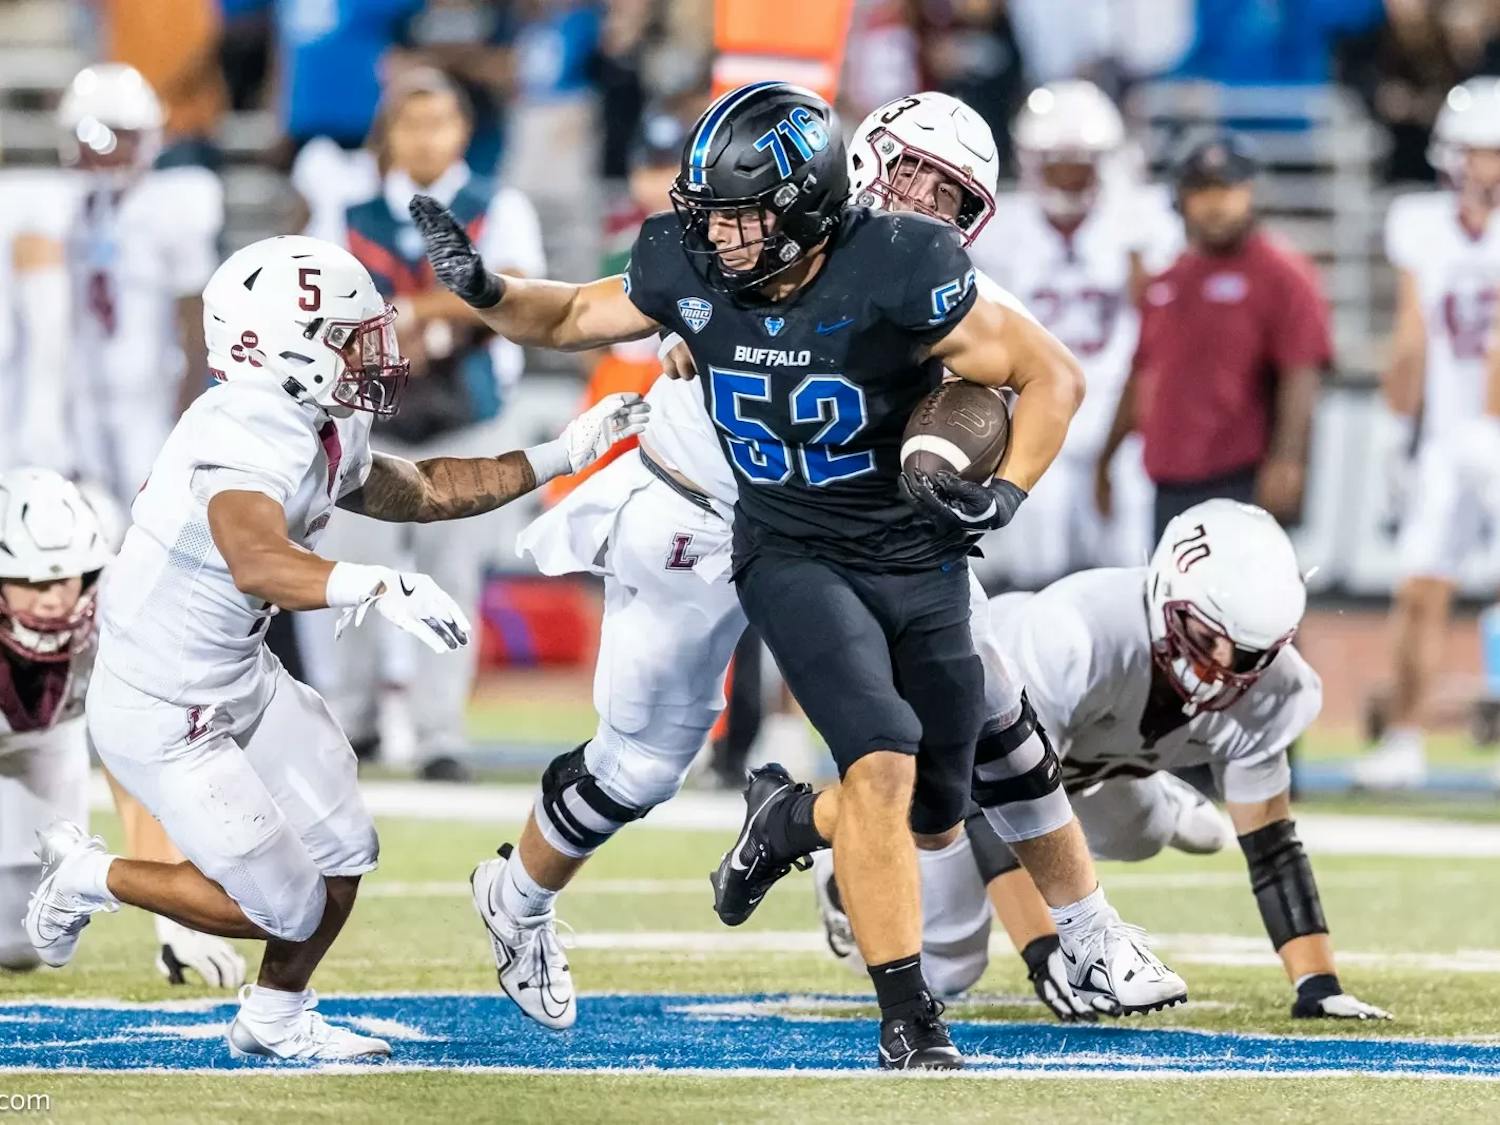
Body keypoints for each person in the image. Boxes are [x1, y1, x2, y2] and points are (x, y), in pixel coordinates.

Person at [413, 82, 1182, 1070]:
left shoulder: (929, 280)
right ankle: (519, 896)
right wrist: (491, 290)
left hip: (869, 536)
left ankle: (1084, 936)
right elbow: (573, 313)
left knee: (984, 707)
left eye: (946, 193)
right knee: (644, 765)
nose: (919, 199)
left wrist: (997, 480)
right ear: (850, 164)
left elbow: (1041, 380)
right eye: (905, 168)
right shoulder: (728, 246)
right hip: (696, 518)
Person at [23, 235, 646, 1062]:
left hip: (239, 675)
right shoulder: (240, 430)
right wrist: (374, 585)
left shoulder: (315, 420)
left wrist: (564, 452)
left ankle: (276, 1015)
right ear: (287, 347)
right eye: (348, 335)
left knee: (347, 848)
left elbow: (425, 489)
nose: (372, 351)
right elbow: (258, 557)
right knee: (285, 906)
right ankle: (86, 876)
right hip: (159, 706)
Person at [812, 500, 1392, 1023]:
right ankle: (839, 858)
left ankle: (1155, 807)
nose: (1220, 667)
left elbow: (1273, 850)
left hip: (1081, 768)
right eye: (1207, 635)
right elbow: (996, 793)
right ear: (1165, 591)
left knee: (1142, 836)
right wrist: (1046, 952)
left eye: (1247, 653)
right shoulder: (1076, 635)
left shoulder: (1276, 688)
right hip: (965, 767)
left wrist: (1318, 984)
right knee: (950, 968)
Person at [310, 68, 546, 778]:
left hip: (462, 416)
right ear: (390, 133)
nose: (425, 138)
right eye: (411, 124)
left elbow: (516, 294)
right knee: (347, 576)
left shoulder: (496, 204)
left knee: (452, 582)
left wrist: (416, 316)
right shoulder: (348, 209)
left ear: (461, 130)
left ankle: (441, 731)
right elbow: (322, 303)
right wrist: (402, 324)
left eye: (438, 122)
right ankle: (352, 719)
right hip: (370, 424)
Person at [972, 80, 1178, 589]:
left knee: (1131, 562)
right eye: (1056, 161)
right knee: (1035, 563)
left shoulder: (1141, 223)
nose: (1068, 176)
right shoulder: (1000, 227)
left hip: (1119, 416)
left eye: (1080, 161)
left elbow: (1160, 308)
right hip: (1038, 407)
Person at [1354, 78, 1500, 791]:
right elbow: (1411, 333)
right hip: (1448, 436)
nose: (1491, 169)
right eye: (1482, 153)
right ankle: (1406, 738)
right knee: (1419, 588)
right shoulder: (1420, 220)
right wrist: (1394, 426)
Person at [1095, 133, 1332, 541]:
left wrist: (1289, 459)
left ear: (1250, 192)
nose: (1215, 204)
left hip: (1241, 475)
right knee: (1169, 600)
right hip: (1168, 477)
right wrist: (1106, 458)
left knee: (1242, 601)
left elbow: (1301, 371)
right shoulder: (1168, 280)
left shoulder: (1282, 273)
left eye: (1226, 189)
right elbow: (1143, 375)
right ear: (1182, 199)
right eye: (1201, 191)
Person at [57, 63, 224, 509]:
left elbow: (194, 312)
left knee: (149, 514)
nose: (101, 151)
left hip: (150, 392)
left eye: (117, 136)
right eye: (91, 135)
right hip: (80, 390)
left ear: (146, 138)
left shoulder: (174, 202)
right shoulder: (66, 207)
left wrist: (189, 407)